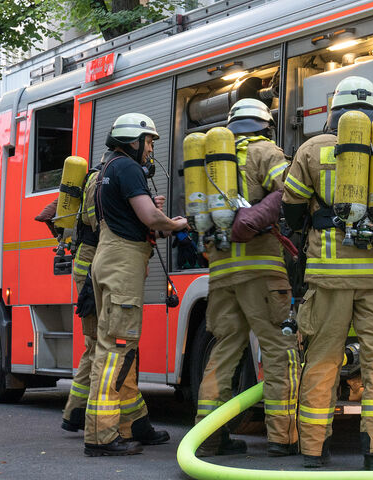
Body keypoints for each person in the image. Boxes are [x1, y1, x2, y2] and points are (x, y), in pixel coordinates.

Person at [281, 76, 373, 471]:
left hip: (328, 278)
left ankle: (313, 451)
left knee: (322, 360)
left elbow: (291, 207)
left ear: (334, 113)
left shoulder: (312, 149)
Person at [194, 98, 300, 457]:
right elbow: (289, 192)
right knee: (278, 350)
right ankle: (282, 437)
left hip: (222, 271)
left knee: (223, 351)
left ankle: (209, 436)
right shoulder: (264, 151)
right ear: (265, 126)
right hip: (261, 270)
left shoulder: (211, 160)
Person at [83, 113, 187, 457]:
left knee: (115, 349)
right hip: (121, 266)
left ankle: (131, 424)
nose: (151, 148)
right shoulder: (128, 168)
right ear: (133, 141)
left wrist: (155, 219)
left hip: (108, 259)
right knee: (116, 350)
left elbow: (135, 218)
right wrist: (177, 223)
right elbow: (150, 218)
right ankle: (101, 436)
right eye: (149, 141)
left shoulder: (107, 169)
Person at [60, 152, 112, 433]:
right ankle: (80, 412)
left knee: (93, 345)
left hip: (87, 265)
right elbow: (97, 223)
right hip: (91, 267)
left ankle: (75, 411)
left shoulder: (91, 179)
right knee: (96, 343)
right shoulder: (98, 182)